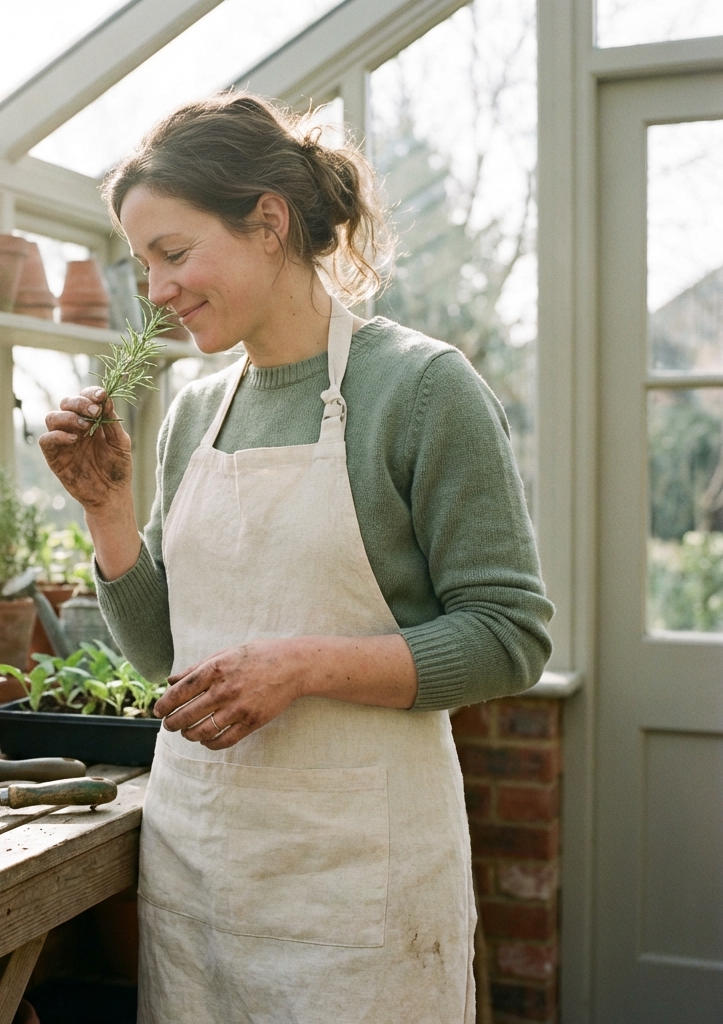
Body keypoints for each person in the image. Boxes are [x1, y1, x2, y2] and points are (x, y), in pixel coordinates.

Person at [40, 93, 553, 1024]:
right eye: (141, 263)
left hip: (359, 880)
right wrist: (107, 512)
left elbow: (510, 635)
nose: (155, 291)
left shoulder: (423, 389)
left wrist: (302, 666)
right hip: (201, 867)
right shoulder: (197, 409)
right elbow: (166, 658)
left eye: (174, 253)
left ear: (268, 223)